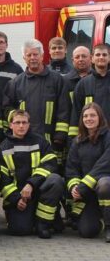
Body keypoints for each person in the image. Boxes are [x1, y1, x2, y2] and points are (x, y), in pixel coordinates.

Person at [0, 109, 64, 238]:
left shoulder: (41, 142)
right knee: (19, 230)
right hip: (20, 197)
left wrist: (31, 184)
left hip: (39, 192)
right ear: (10, 125)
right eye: (17, 122)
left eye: (24, 122)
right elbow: (3, 179)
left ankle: (43, 223)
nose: (21, 126)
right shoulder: (3, 147)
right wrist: (16, 199)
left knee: (55, 180)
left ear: (29, 124)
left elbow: (50, 164)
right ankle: (30, 218)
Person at [3, 39, 69, 164]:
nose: (32, 58)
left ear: (42, 56)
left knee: (52, 173)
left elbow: (64, 108)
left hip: (51, 140)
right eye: (29, 55)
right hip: (25, 140)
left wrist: (60, 134)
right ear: (24, 57)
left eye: (35, 54)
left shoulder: (57, 80)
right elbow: (7, 107)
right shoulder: (16, 83)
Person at [66, 102, 110, 242]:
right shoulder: (77, 141)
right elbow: (71, 168)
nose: (88, 119)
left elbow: (104, 164)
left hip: (104, 187)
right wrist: (74, 187)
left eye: (92, 115)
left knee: (105, 184)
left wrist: (84, 185)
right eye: (85, 116)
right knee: (87, 232)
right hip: (88, 193)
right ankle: (100, 218)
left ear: (100, 118)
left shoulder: (108, 136)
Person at [71, 44, 110, 135]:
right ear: (92, 59)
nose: (101, 57)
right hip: (90, 136)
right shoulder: (83, 83)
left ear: (109, 58)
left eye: (104, 55)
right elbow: (76, 114)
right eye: (98, 55)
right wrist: (73, 140)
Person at [63, 46, 92, 142]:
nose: (81, 59)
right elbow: (63, 110)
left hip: (94, 130)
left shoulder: (98, 80)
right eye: (77, 57)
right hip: (72, 131)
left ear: (91, 58)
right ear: (72, 60)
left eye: (84, 56)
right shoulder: (65, 82)